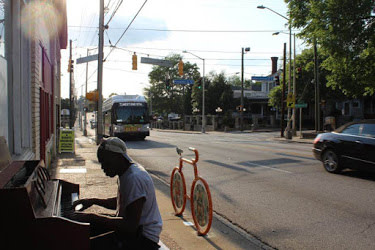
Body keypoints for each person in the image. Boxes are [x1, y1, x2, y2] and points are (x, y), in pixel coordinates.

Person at [68, 137, 162, 250]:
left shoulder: (134, 178)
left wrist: (93, 217)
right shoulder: (126, 173)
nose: (103, 167)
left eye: (105, 162)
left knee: (85, 244)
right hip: (133, 231)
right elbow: (122, 202)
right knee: (84, 231)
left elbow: (130, 226)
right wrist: (93, 201)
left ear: (117, 157)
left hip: (143, 239)